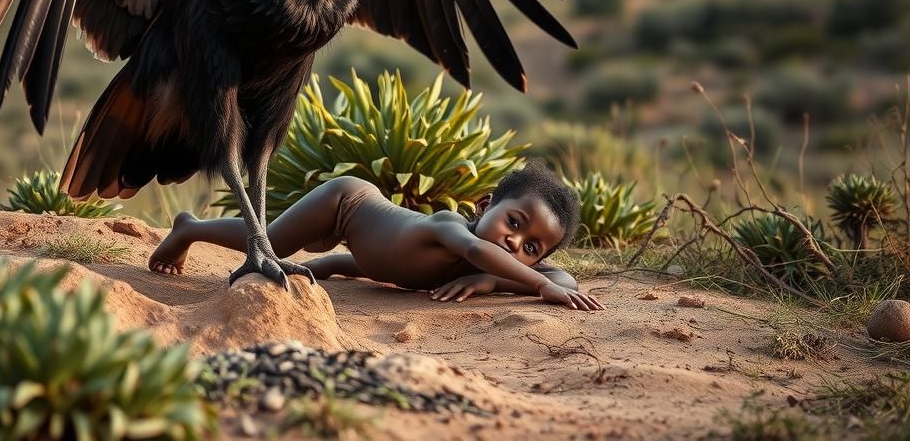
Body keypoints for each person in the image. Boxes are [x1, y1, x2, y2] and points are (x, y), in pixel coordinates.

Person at [149, 161, 603, 310]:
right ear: (484, 206)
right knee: (272, 241)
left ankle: (315, 262)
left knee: (311, 262)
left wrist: (492, 281)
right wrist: (536, 283)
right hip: (347, 203)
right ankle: (191, 227)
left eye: (531, 249)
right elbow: (480, 251)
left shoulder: (482, 269)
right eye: (515, 224)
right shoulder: (450, 228)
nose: (513, 245)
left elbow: (568, 281)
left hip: (368, 253)